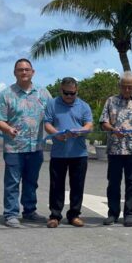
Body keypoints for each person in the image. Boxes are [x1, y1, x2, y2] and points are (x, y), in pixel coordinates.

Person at [0, 59, 53, 228]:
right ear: (15, 73)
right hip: (14, 147)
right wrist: (7, 129)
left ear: (33, 72)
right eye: (20, 70)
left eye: (27, 69)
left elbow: (52, 115)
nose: (24, 72)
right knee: (12, 182)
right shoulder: (6, 94)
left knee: (31, 181)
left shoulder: (43, 93)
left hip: (36, 146)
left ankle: (29, 211)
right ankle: (11, 213)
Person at [100, 71, 132, 227]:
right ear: (120, 86)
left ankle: (129, 214)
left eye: (130, 87)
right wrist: (113, 129)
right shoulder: (111, 101)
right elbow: (103, 122)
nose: (127, 90)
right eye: (124, 87)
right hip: (115, 149)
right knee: (114, 182)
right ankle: (113, 213)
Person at [43, 77, 94, 228]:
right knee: (56, 185)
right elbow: (47, 123)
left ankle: (74, 215)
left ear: (76, 91)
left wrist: (81, 130)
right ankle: (55, 215)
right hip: (59, 153)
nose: (69, 97)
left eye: (73, 93)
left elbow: (89, 125)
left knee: (77, 185)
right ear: (61, 90)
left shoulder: (84, 106)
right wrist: (56, 134)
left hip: (79, 153)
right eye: (66, 93)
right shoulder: (52, 104)